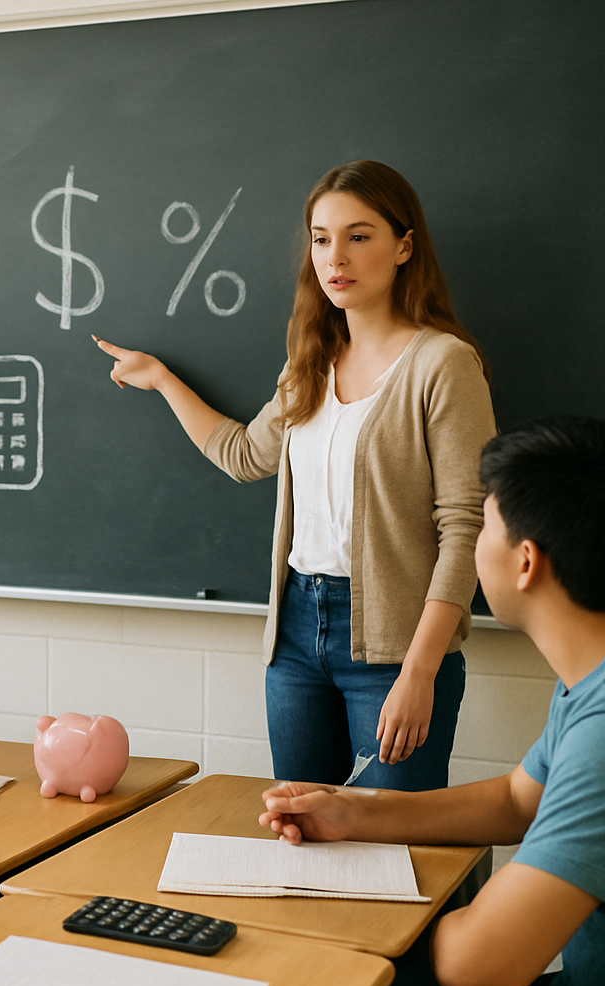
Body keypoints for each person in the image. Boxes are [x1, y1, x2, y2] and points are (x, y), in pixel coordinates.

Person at [259, 417, 605, 986]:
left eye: (484, 523)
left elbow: (473, 975)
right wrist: (355, 812)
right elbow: (517, 800)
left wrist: (371, 916)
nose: (470, 542)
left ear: (526, 562)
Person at [96, 160, 494, 790]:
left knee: (390, 849)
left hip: (395, 648)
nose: (336, 256)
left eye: (359, 236)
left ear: (404, 246)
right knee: (300, 836)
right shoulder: (310, 361)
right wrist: (163, 380)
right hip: (294, 639)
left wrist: (420, 672)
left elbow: (466, 526)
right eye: (321, 238)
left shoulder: (443, 364)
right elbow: (243, 455)